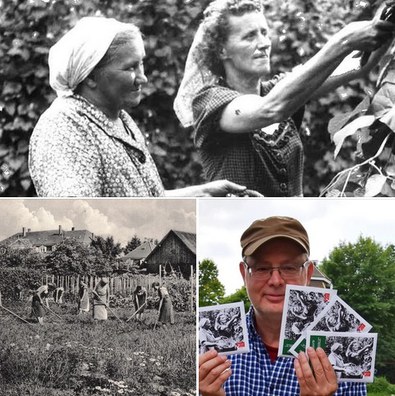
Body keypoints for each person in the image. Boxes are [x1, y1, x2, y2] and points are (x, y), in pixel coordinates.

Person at [174, 0, 395, 196]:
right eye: (249, 36)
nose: (263, 43)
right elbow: (270, 110)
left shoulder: (280, 89)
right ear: (222, 50)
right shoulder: (210, 100)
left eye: (264, 32)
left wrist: (388, 21)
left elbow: (357, 66)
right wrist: (343, 41)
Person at [28, 17, 259, 198]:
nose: (143, 78)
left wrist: (204, 194)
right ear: (90, 76)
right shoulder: (64, 128)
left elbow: (143, 200)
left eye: (142, 64)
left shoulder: (119, 120)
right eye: (130, 68)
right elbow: (76, 218)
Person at [199, 216, 367, 395]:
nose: (276, 281)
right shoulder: (203, 353)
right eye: (262, 268)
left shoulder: (342, 355)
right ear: (244, 274)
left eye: (289, 268)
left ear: (308, 273)